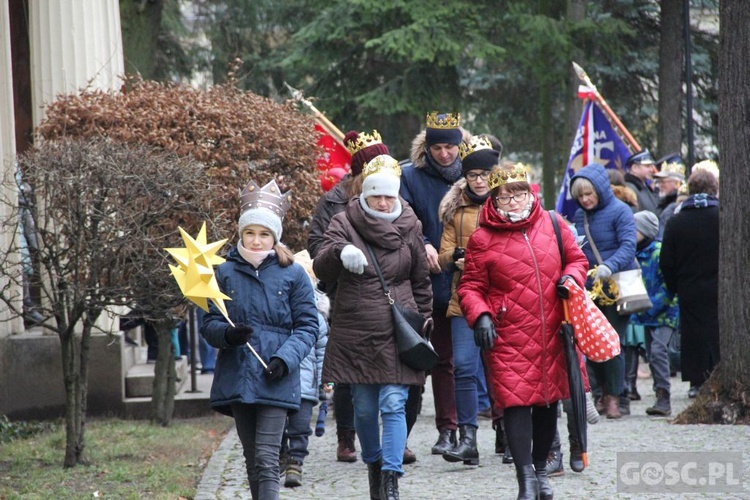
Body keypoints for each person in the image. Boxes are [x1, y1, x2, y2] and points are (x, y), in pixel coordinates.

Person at [459, 162, 588, 500]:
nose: (513, 200)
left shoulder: (554, 223)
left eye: (518, 192)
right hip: (508, 334)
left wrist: (571, 279)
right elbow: (470, 287)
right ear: (494, 199)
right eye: (505, 195)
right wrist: (481, 315)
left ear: (530, 192)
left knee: (547, 403)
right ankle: (525, 478)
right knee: (516, 405)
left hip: (552, 330)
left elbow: (577, 260)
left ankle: (542, 471)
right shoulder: (482, 238)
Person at [314, 154, 432, 500]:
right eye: (376, 195)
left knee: (394, 403)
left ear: (397, 196)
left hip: (399, 327)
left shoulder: (411, 224)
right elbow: (322, 266)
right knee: (364, 408)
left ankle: (391, 479)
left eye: (389, 196)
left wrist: (425, 320)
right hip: (356, 328)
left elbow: (420, 279)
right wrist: (340, 254)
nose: (383, 201)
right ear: (364, 194)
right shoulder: (343, 222)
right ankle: (374, 465)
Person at [201, 179, 318, 500]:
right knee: (253, 460)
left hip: (276, 377)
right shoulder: (224, 272)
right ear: (240, 233)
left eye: (264, 234)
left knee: (267, 459)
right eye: (250, 233)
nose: (256, 240)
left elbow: (309, 325)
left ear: (275, 236)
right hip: (238, 375)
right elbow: (209, 322)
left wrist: (285, 359)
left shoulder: (292, 273)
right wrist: (227, 334)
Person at [307, 129, 391, 464]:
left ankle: (395, 436)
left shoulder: (394, 195)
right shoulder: (332, 202)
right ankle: (346, 436)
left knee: (391, 370)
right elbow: (316, 246)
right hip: (346, 294)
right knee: (347, 372)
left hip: (387, 295)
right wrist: (342, 254)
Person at [400, 111, 468, 455]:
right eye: (438, 147)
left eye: (450, 147)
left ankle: (457, 429)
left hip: (466, 278)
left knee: (462, 361)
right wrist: (424, 241)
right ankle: (442, 430)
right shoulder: (409, 176)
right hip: (426, 281)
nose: (445, 154)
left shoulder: (474, 175)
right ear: (427, 147)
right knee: (429, 358)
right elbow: (406, 217)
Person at [436, 136, 500, 466]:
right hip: (464, 296)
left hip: (502, 297)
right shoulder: (454, 209)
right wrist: (456, 255)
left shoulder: (507, 203)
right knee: (463, 365)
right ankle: (467, 438)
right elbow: (444, 253)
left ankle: (505, 431)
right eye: (473, 175)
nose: (478, 180)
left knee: (500, 368)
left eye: (484, 174)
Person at [570, 163, 637, 420]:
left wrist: (609, 265)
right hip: (590, 288)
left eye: (589, 194)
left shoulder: (620, 210)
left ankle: (614, 397)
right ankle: (598, 394)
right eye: (581, 196)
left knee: (613, 343)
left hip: (617, 285)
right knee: (591, 341)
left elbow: (629, 245)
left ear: (600, 190)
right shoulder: (580, 216)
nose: (585, 199)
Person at [660, 168, 720, 399]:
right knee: (717, 331)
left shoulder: (676, 221)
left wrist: (675, 286)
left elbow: (666, 260)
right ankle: (718, 372)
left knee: (693, 334)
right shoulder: (722, 216)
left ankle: (696, 380)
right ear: (713, 189)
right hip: (719, 286)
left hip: (689, 287)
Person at [280, 251, 329, 488]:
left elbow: (322, 351)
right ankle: (280, 455)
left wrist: (325, 380)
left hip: (305, 386)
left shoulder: (316, 318)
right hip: (278, 383)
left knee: (299, 429)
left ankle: (295, 462)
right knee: (277, 426)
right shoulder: (277, 314)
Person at [629, 211, 678, 416]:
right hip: (646, 314)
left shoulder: (659, 252)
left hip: (665, 312)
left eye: (636, 228)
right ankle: (659, 394)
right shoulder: (634, 253)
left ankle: (664, 396)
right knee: (651, 354)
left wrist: (650, 306)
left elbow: (668, 286)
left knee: (658, 351)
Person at [653, 154, 685, 239]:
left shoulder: (676, 206)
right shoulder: (663, 202)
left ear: (677, 184)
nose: (659, 185)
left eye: (663, 182)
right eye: (659, 182)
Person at [625, 149, 661, 216]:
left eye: (651, 166)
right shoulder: (630, 189)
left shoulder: (644, 186)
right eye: (647, 166)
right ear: (634, 168)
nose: (651, 170)